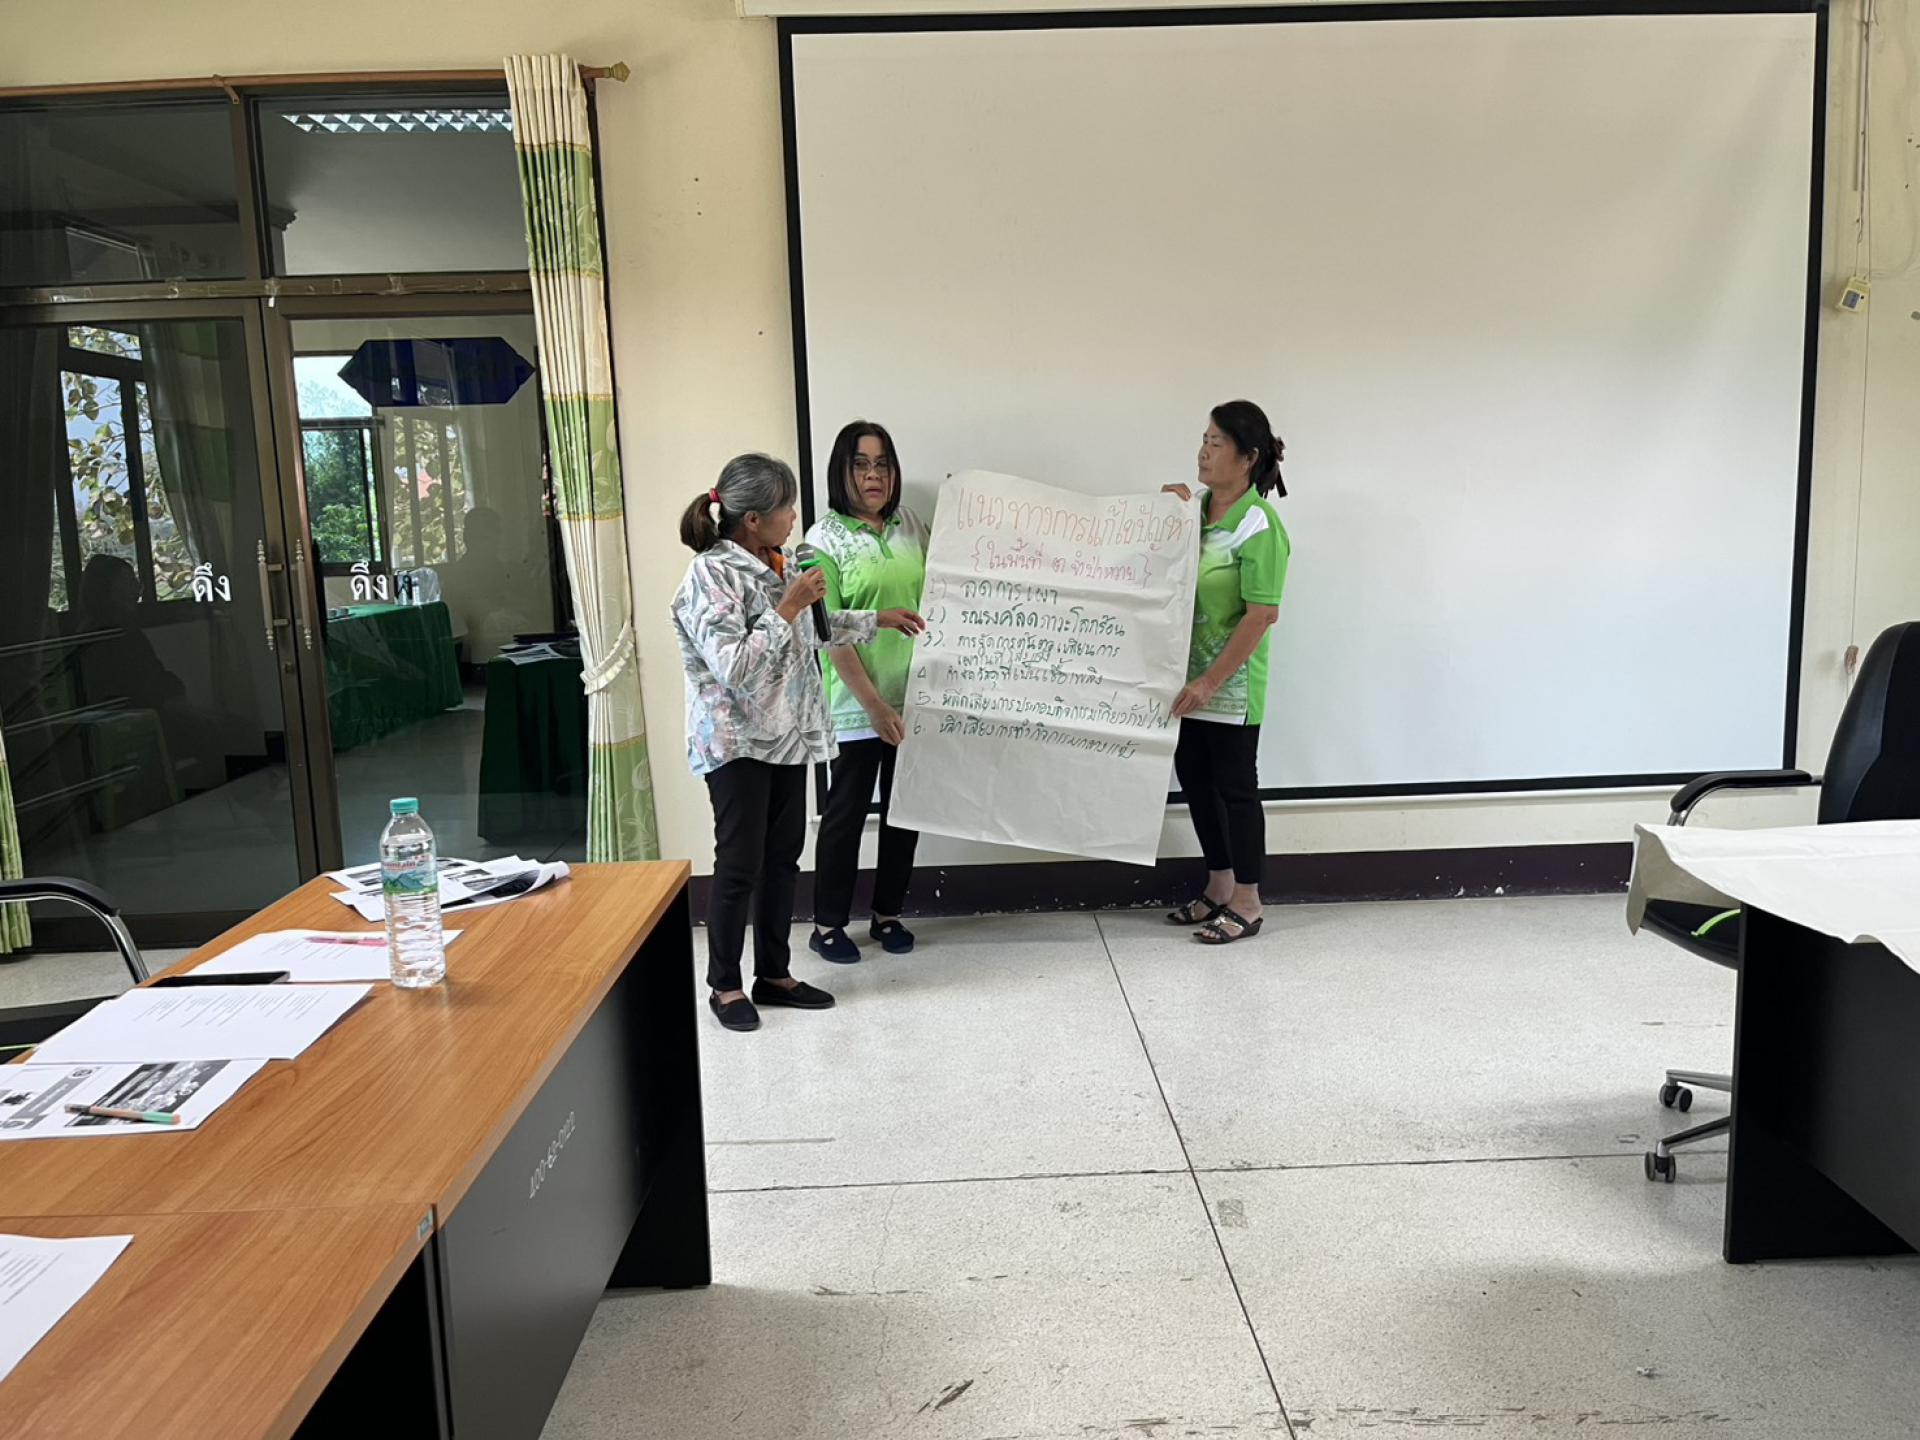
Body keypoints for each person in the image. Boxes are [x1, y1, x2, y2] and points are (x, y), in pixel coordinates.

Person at [671, 453, 925, 1032]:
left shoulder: (780, 562)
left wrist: (877, 619)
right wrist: (787, 605)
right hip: (736, 741)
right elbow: (735, 666)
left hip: (787, 734)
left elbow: (815, 628)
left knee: (783, 858)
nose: (794, 517)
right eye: (785, 508)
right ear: (753, 518)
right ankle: (725, 986)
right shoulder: (710, 575)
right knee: (740, 863)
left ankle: (775, 974)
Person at [1162, 400, 1291, 945]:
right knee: (1195, 782)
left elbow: (1261, 615)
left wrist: (1210, 682)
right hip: (1182, 682)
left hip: (1230, 688)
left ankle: (1248, 899)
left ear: (1248, 457)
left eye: (1217, 443)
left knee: (1236, 789)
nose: (1204, 451)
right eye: (1204, 439)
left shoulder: (1259, 524)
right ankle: (1218, 884)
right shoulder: (1193, 512)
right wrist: (1160, 516)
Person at [804, 421, 931, 963]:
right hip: (856, 705)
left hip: (916, 700)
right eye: (861, 464)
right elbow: (827, 630)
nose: (873, 476)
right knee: (846, 816)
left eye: (883, 464)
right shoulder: (821, 540)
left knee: (905, 813)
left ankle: (888, 915)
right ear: (842, 471)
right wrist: (875, 706)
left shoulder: (912, 526)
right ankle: (828, 925)